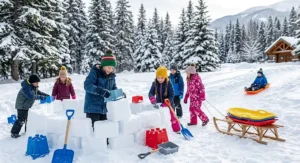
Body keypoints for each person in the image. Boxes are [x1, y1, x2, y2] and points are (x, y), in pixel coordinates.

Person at [83, 49, 118, 130]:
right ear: (103, 65)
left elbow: (113, 88)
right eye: (109, 67)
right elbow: (87, 86)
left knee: (103, 132)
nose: (110, 70)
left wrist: (119, 94)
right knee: (94, 133)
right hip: (93, 109)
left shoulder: (112, 77)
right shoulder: (95, 73)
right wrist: (101, 91)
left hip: (104, 109)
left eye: (112, 68)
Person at [149, 66, 181, 133]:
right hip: (159, 103)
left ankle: (177, 129)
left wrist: (168, 102)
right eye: (158, 77)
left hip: (169, 103)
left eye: (162, 78)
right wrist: (152, 98)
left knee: (173, 117)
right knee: (160, 117)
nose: (160, 79)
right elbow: (151, 92)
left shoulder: (168, 84)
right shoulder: (154, 83)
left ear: (165, 77)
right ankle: (161, 130)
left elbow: (172, 94)